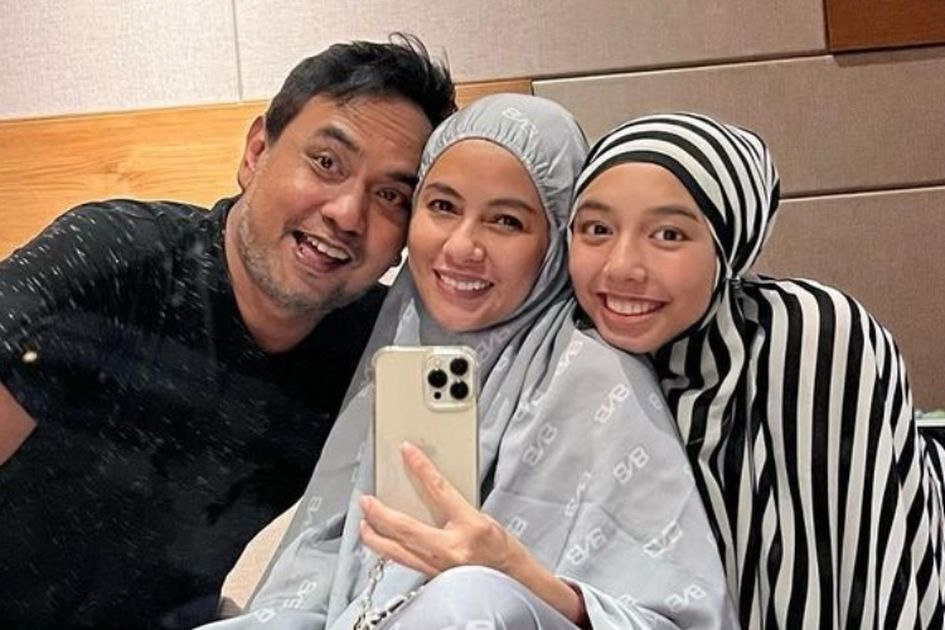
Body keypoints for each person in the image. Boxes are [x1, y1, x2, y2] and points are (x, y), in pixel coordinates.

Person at [201, 95, 736, 630]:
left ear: (555, 241)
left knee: (468, 599)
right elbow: (324, 577)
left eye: (505, 221)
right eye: (442, 207)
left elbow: (678, 616)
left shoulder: (596, 378)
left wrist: (517, 578)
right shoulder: (399, 341)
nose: (461, 247)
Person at [0, 35, 455, 629]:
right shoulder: (115, 263)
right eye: (327, 163)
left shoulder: (382, 352)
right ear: (257, 151)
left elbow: (421, 547)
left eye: (391, 195)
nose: (347, 213)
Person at [567, 111, 945, 628]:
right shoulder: (573, 360)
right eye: (597, 229)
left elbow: (862, 576)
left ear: (730, 247)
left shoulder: (808, 337)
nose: (621, 266)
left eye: (669, 234)